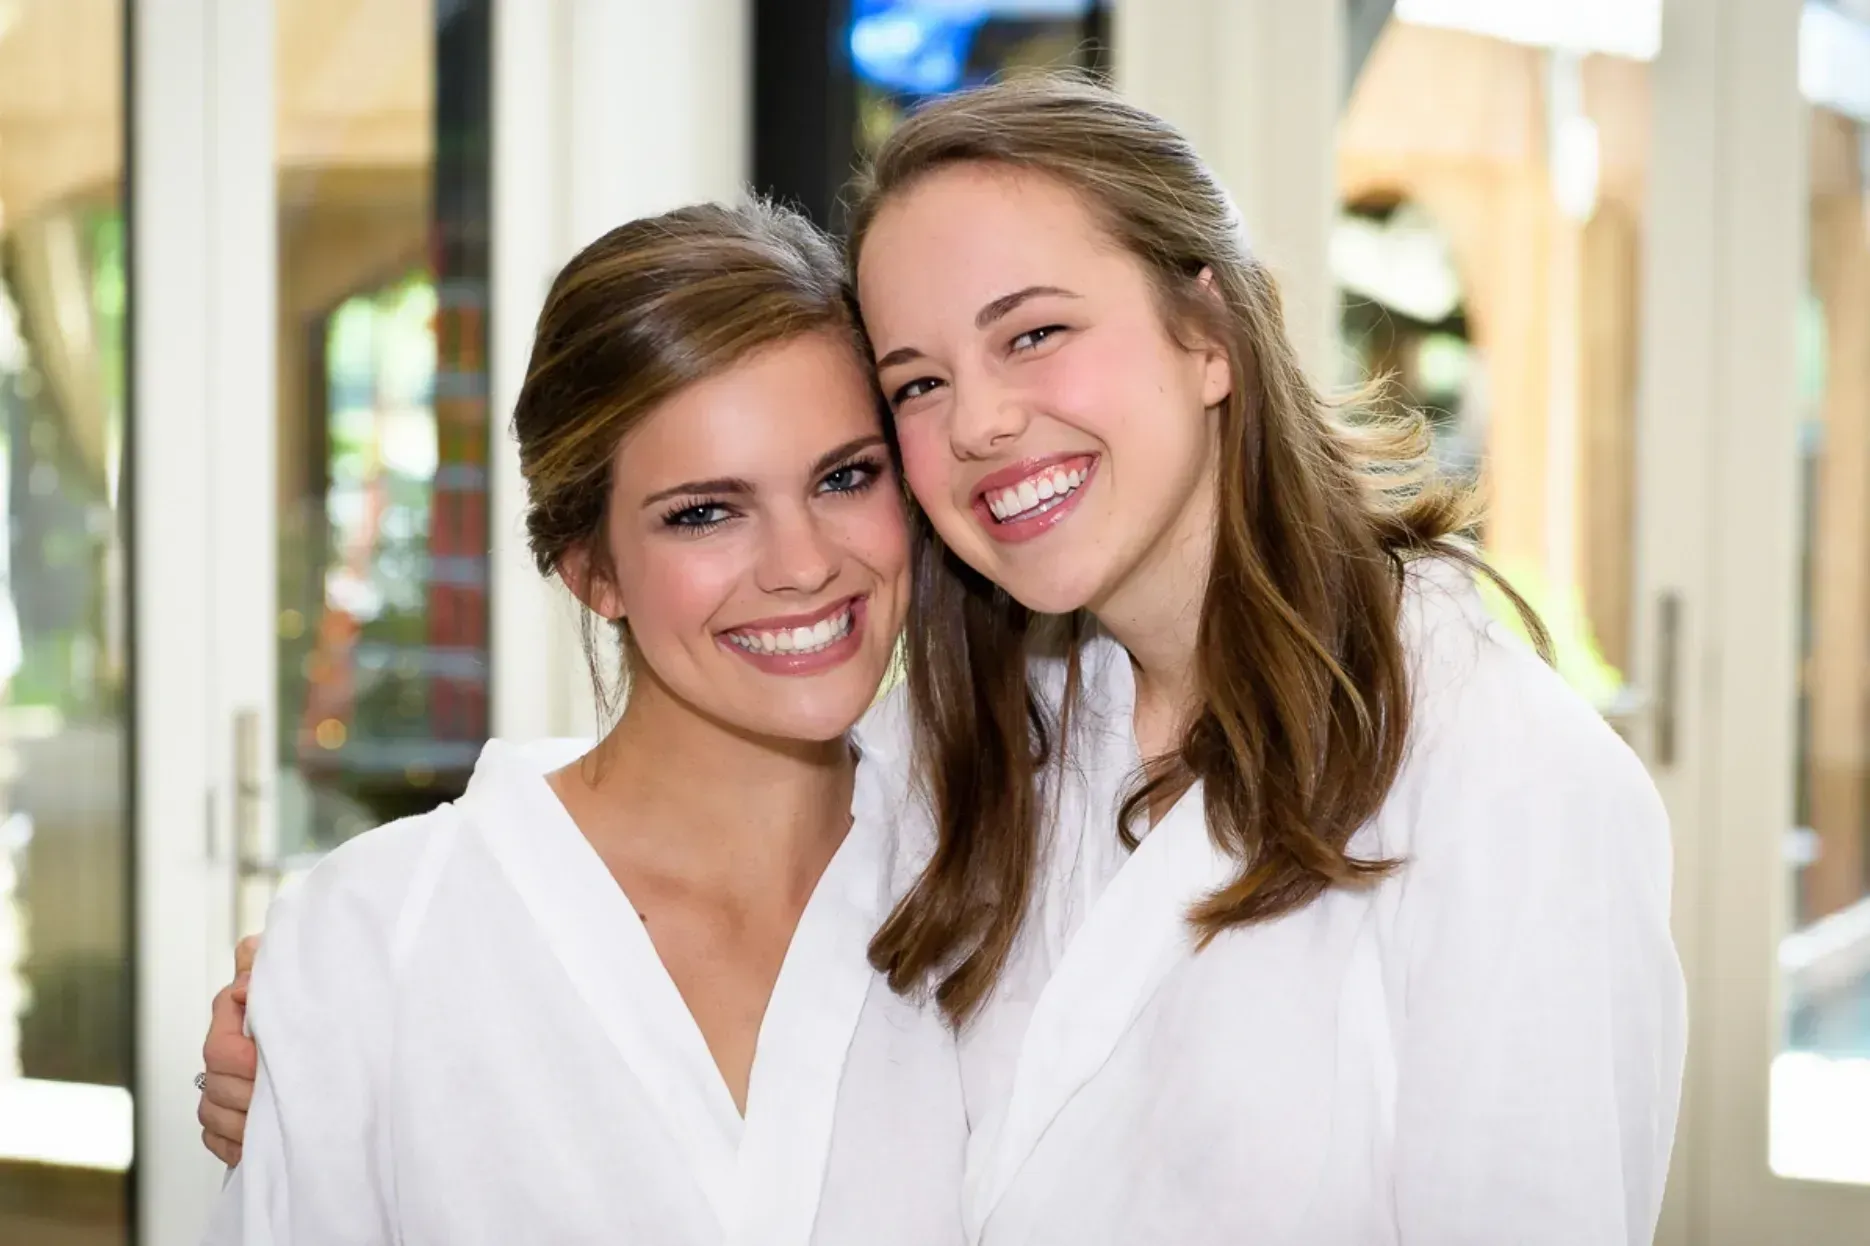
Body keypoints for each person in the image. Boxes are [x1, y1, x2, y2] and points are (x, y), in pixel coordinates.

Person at [200, 76, 1685, 1245]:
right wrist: (341, 1012)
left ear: (1210, 328)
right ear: (587, 563)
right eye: (919, 381)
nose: (976, 424)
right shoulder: (1005, 756)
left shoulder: (1511, 785)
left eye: (1034, 333)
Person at [199, 201, 966, 1245]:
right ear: (591, 566)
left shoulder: (1009, 889)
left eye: (845, 476)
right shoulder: (374, 945)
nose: (803, 564)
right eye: (705, 510)